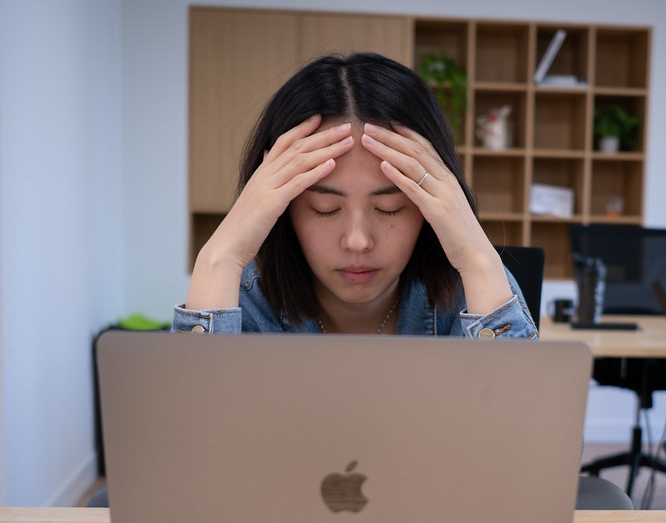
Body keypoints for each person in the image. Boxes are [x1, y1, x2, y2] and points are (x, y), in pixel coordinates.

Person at [173, 52, 538, 339]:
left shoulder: (471, 289)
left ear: (431, 206)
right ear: (282, 208)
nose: (358, 241)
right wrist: (219, 257)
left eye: (389, 207)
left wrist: (478, 259)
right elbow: (185, 432)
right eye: (326, 208)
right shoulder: (242, 296)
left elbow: (538, 435)